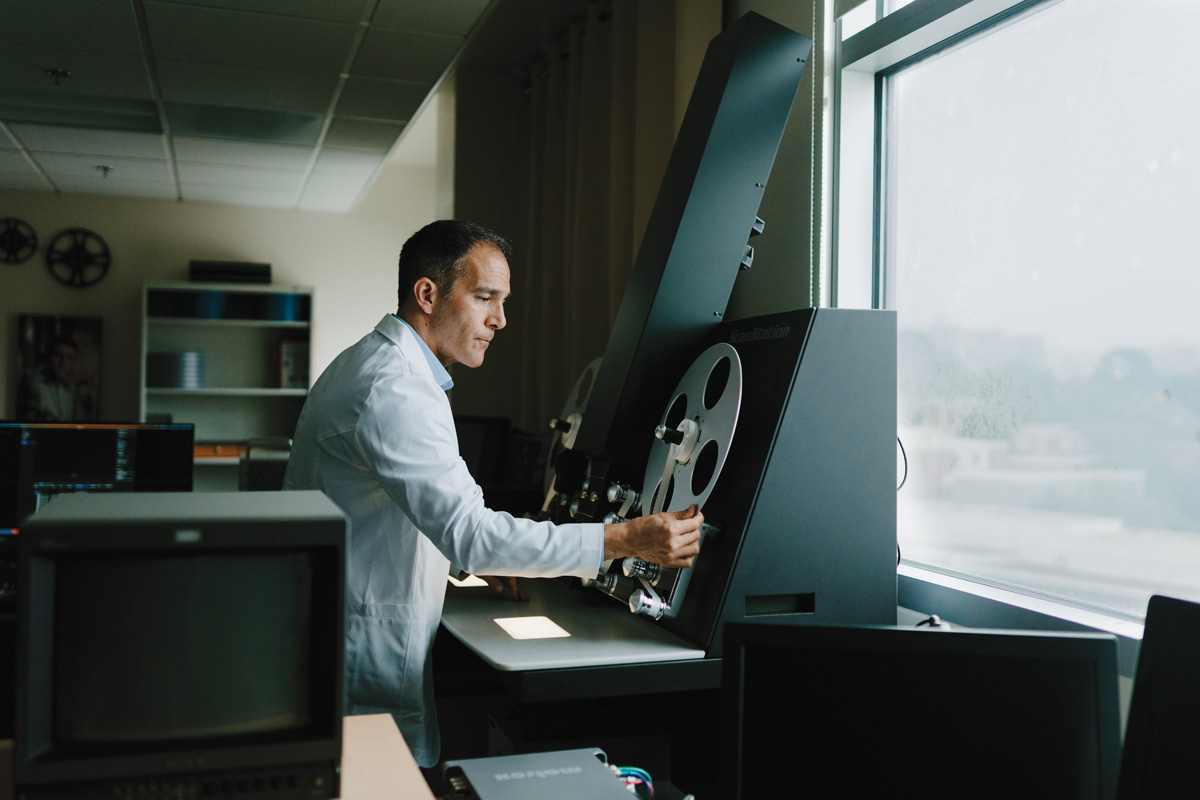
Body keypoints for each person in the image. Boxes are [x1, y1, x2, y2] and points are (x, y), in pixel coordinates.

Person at [283, 220, 702, 767]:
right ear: (428, 295)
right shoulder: (396, 388)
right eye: (485, 298)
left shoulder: (378, 366)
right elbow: (473, 534)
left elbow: (397, 516)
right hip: (361, 658)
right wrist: (625, 538)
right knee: (378, 783)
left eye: (502, 302)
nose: (499, 321)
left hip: (342, 636)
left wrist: (473, 561)